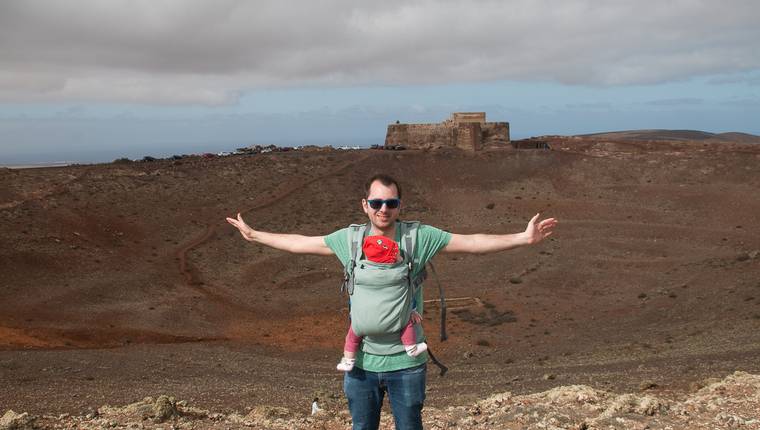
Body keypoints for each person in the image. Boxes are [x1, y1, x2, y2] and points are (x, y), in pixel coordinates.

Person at [226, 173, 557, 430]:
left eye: (391, 203)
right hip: (361, 365)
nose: (384, 209)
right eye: (377, 203)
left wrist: (523, 238)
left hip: (406, 366)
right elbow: (300, 243)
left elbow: (470, 242)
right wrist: (255, 235)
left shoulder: (417, 237)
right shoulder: (350, 239)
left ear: (400, 205)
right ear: (365, 205)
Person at [337, 235, 428, 373]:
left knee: (352, 337)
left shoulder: (357, 273)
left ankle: (348, 360)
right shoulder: (400, 274)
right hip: (395, 324)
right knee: (406, 323)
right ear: (390, 260)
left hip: (361, 325)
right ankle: (411, 348)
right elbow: (406, 298)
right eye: (396, 255)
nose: (399, 257)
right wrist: (413, 310)